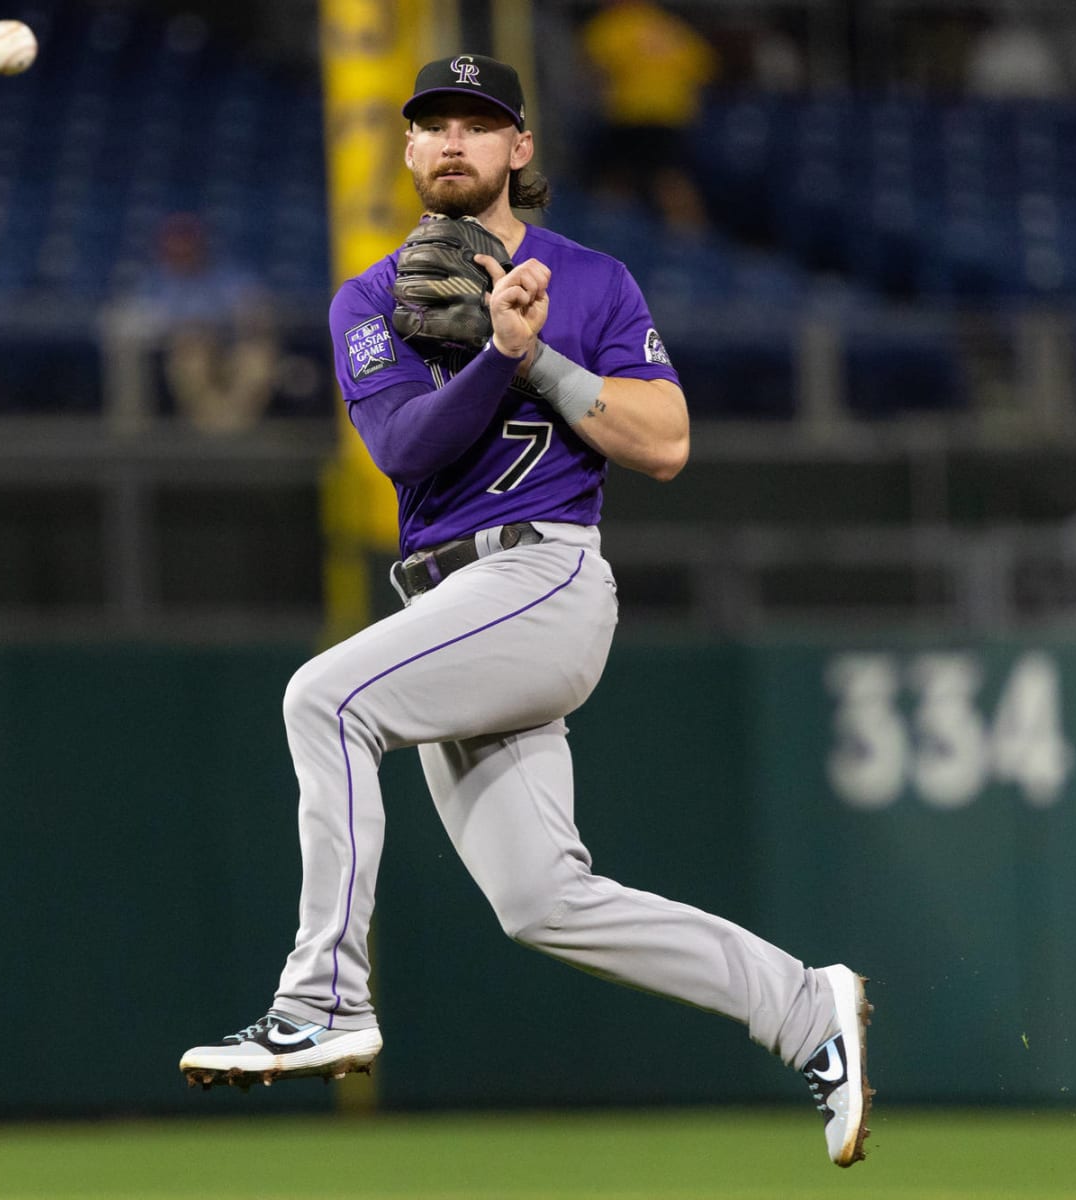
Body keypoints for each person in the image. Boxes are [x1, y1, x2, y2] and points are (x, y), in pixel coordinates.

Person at [178, 54, 874, 1168]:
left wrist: (533, 354)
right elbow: (404, 448)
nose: (454, 141)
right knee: (543, 900)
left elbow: (666, 444)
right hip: (454, 601)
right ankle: (801, 1006)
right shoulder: (369, 298)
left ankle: (322, 1000)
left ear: (520, 149)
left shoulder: (591, 281)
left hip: (540, 575)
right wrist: (494, 361)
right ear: (407, 150)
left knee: (326, 697)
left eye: (478, 123)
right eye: (433, 125)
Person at [576, 0, 719, 231]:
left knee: (618, 180)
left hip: (629, 115)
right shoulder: (669, 26)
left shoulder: (609, 26)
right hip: (673, 117)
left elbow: (596, 74)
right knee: (670, 178)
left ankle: (613, 232)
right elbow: (705, 69)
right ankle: (689, 236)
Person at [135, 212, 278, 433]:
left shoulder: (229, 275)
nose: (182, 250)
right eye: (175, 244)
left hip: (232, 345)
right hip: (184, 348)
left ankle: (235, 429)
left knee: (257, 359)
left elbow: (254, 310)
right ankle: (213, 431)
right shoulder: (155, 282)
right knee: (192, 358)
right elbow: (144, 321)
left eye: (188, 242)